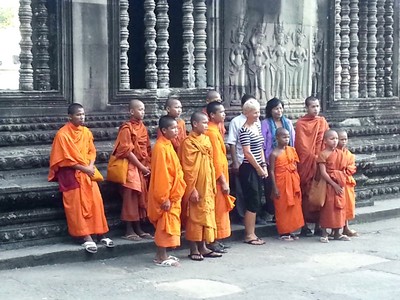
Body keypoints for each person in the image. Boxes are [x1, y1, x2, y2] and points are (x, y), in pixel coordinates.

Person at [48, 103, 113, 254]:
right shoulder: (62, 135)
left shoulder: (86, 132)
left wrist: (90, 166)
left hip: (88, 172)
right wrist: (84, 168)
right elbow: (63, 160)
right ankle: (86, 236)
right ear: (69, 116)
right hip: (71, 175)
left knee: (96, 203)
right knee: (77, 207)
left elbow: (91, 151)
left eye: (83, 114)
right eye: (78, 114)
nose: (82, 117)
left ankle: (100, 233)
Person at [180, 112, 223, 260]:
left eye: (207, 123)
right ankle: (193, 249)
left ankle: (203, 247)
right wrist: (191, 189)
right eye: (203, 123)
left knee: (207, 213)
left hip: (207, 183)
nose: (206, 125)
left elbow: (210, 161)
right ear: (194, 124)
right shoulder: (188, 143)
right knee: (195, 216)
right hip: (196, 185)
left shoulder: (205, 139)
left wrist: (212, 182)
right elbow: (187, 169)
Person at [147, 116, 187, 267]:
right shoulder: (160, 147)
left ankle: (161, 254)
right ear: (164, 130)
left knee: (168, 224)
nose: (176, 130)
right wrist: (165, 198)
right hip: (165, 194)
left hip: (172, 193)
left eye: (177, 128)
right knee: (165, 225)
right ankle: (161, 257)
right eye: (173, 128)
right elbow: (162, 175)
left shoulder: (168, 145)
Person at [111, 99, 153, 241]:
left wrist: (148, 165)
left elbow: (147, 149)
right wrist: (141, 167)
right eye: (140, 109)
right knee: (130, 197)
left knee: (140, 197)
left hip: (141, 166)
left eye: (143, 109)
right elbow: (126, 151)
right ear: (131, 111)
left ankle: (139, 228)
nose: (143, 112)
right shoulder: (126, 128)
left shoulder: (143, 127)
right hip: (130, 167)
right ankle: (129, 229)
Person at [295, 96, 329, 236]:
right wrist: (314, 157)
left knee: (319, 192)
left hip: (320, 163)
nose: (315, 109)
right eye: (312, 106)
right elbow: (302, 147)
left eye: (317, 106)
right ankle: (304, 226)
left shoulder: (322, 122)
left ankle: (318, 225)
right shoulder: (301, 123)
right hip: (307, 164)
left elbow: (326, 141)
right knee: (305, 194)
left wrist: (321, 158)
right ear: (306, 108)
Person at [205, 101, 235, 253]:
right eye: (221, 112)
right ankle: (212, 240)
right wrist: (222, 181)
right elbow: (215, 160)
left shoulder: (215, 129)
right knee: (216, 209)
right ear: (212, 115)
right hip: (217, 178)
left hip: (222, 173)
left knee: (221, 208)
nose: (224, 114)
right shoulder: (210, 131)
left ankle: (217, 239)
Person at [238, 99, 268, 245]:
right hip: (249, 168)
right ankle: (249, 234)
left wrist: (264, 166)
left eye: (258, 112)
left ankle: (252, 232)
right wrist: (258, 168)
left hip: (258, 166)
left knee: (257, 199)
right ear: (246, 114)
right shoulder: (244, 130)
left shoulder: (257, 126)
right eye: (255, 112)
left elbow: (261, 148)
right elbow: (247, 153)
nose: (257, 115)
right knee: (252, 200)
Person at [261, 97, 295, 220]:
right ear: (270, 110)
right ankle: (273, 211)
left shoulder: (288, 123)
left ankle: (284, 212)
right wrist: (264, 161)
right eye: (276, 108)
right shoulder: (265, 123)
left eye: (281, 108)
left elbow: (292, 141)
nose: (279, 111)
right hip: (271, 158)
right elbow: (263, 142)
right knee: (272, 186)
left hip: (286, 159)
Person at [269, 128, 304, 241]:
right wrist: (274, 188)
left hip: (292, 181)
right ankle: (284, 232)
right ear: (277, 138)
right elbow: (272, 171)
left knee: (294, 206)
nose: (286, 139)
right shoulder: (274, 153)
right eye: (284, 137)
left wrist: (296, 181)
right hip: (281, 183)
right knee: (282, 207)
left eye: (288, 137)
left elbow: (295, 166)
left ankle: (291, 230)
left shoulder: (292, 150)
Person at [317, 130, 350, 243]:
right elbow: (323, 173)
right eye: (332, 139)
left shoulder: (340, 153)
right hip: (328, 185)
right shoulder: (323, 154)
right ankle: (324, 233)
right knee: (328, 209)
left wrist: (341, 180)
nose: (335, 141)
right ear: (325, 141)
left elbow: (343, 168)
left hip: (339, 184)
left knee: (339, 208)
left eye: (336, 139)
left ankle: (337, 233)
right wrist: (334, 184)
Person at [227, 94, 256, 223]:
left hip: (255, 162)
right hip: (241, 159)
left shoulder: (256, 121)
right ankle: (241, 215)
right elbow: (232, 143)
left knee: (253, 191)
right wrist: (235, 162)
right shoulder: (236, 122)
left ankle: (254, 215)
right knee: (240, 190)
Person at [337, 129, 358, 237]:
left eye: (345, 139)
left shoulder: (348, 154)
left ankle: (346, 227)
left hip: (347, 182)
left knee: (348, 204)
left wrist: (344, 172)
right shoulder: (332, 153)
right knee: (336, 206)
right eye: (341, 139)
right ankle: (334, 230)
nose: (344, 142)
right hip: (336, 184)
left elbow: (352, 167)